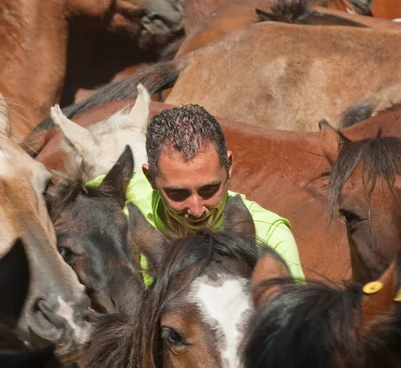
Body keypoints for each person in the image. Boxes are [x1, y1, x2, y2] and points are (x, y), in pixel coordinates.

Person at [88, 105, 304, 286]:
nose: (197, 209)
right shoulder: (109, 203)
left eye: (209, 189)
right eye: (178, 193)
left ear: (228, 166)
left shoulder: (270, 239)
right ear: (150, 178)